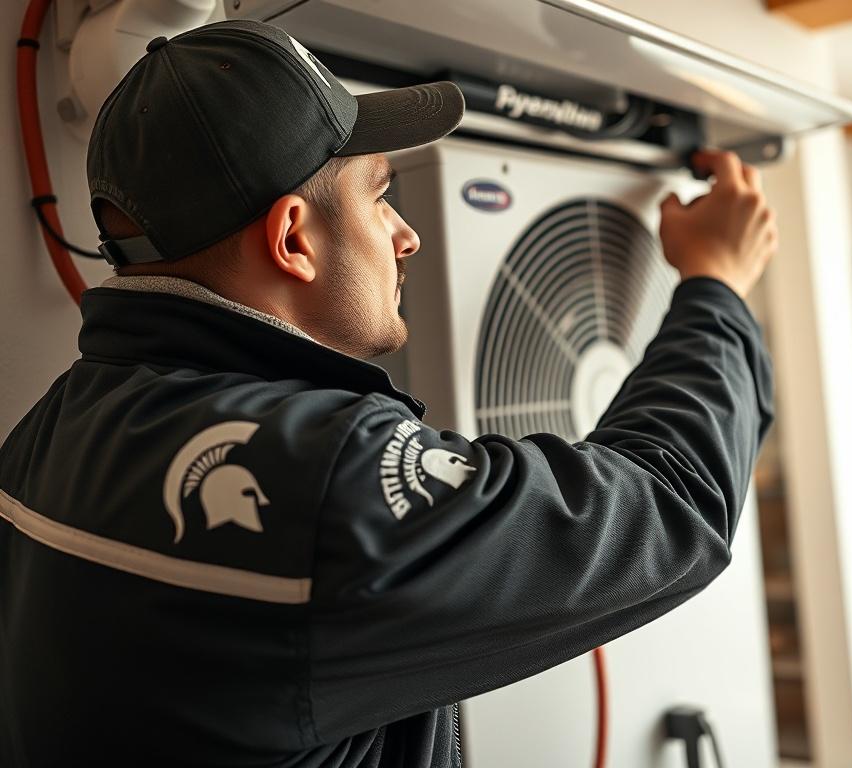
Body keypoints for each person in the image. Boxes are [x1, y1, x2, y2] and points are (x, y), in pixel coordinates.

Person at [0, 18, 777, 768]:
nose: (404, 235)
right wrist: (717, 287)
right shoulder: (319, 480)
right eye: (379, 196)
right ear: (294, 239)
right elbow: (668, 508)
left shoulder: (41, 439)